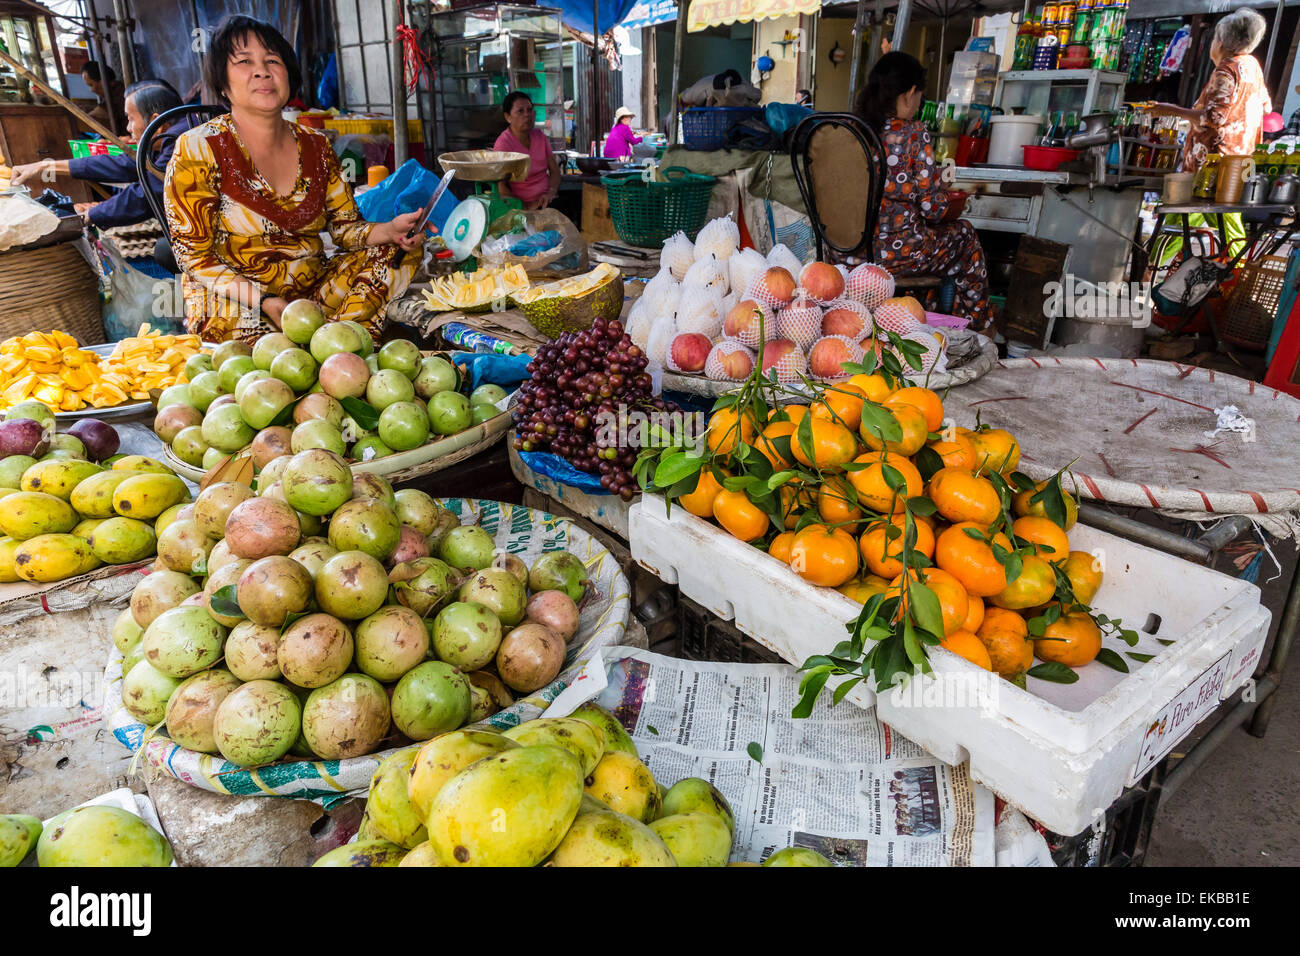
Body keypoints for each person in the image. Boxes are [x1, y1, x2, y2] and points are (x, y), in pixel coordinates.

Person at [164, 15, 425, 344]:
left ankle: (336, 347)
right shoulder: (199, 148)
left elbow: (344, 229)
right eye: (245, 62)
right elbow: (193, 257)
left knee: (398, 252)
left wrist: (390, 230)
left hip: (310, 296)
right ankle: (323, 348)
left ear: (289, 74)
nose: (262, 71)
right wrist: (263, 301)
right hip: (236, 302)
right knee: (261, 363)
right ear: (222, 82)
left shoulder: (316, 146)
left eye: (272, 60)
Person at [854, 52, 992, 331]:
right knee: (964, 235)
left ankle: (921, 320)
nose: (918, 105)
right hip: (897, 256)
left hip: (848, 254)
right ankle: (979, 327)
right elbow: (935, 210)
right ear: (911, 92)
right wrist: (939, 189)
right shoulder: (914, 133)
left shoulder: (853, 129)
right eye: (919, 97)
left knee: (924, 238)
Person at [1144, 8, 1271, 262]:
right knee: (1210, 221)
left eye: (1214, 38)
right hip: (1238, 162)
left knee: (1185, 217)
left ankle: (1149, 269)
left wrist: (1167, 109)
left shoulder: (1227, 69)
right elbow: (1265, 107)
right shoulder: (1252, 67)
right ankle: (1236, 273)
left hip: (1212, 166)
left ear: (1222, 41)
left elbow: (1213, 118)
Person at [11, 80, 190, 228]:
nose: (128, 128)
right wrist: (44, 166)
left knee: (164, 251)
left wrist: (90, 215)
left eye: (130, 118)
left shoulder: (181, 141)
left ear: (156, 122)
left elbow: (146, 194)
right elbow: (125, 165)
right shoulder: (175, 132)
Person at [494, 91, 560, 210]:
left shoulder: (540, 136)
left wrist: (550, 192)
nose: (527, 115)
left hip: (546, 201)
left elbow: (554, 171)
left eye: (529, 110)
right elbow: (501, 187)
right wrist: (525, 207)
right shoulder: (503, 144)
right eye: (520, 111)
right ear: (508, 117)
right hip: (520, 207)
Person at [82, 62, 127, 136]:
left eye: (91, 85)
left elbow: (90, 118)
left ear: (103, 81)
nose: (92, 90)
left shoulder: (118, 95)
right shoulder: (116, 90)